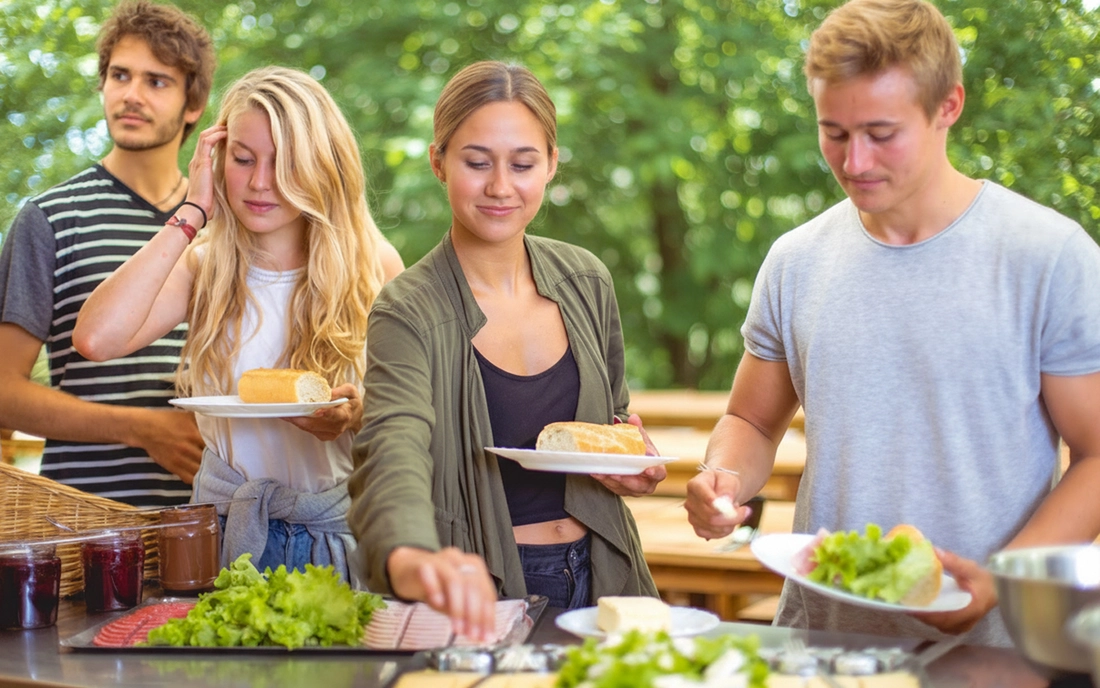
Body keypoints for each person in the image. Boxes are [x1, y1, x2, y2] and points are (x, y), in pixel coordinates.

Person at [685, 0, 1100, 648]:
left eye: (882, 133)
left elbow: (1096, 455)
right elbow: (751, 421)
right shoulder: (796, 260)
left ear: (948, 106)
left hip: (993, 650)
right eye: (835, 132)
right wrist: (723, 481)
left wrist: (1002, 581)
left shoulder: (1047, 257)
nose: (854, 162)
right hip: (822, 645)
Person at [346, 60, 665, 639]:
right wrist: (412, 556)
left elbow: (614, 422)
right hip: (484, 590)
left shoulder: (586, 280)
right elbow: (393, 447)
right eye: (476, 163)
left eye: (522, 164)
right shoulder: (407, 309)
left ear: (550, 164)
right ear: (438, 162)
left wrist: (630, 467)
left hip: (606, 575)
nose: (500, 186)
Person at [73, 66, 404, 582]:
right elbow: (95, 338)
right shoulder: (204, 265)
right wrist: (191, 212)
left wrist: (356, 414)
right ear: (218, 159)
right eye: (243, 159)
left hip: (336, 535)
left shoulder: (374, 265)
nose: (259, 182)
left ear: (320, 165)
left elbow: (410, 418)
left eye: (284, 163)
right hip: (223, 529)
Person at [0, 1, 215, 508]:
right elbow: (4, 391)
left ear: (194, 104)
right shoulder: (50, 217)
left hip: (214, 517)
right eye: (120, 75)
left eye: (157, 81)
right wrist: (141, 428)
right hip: (85, 521)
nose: (131, 95)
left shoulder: (226, 224)